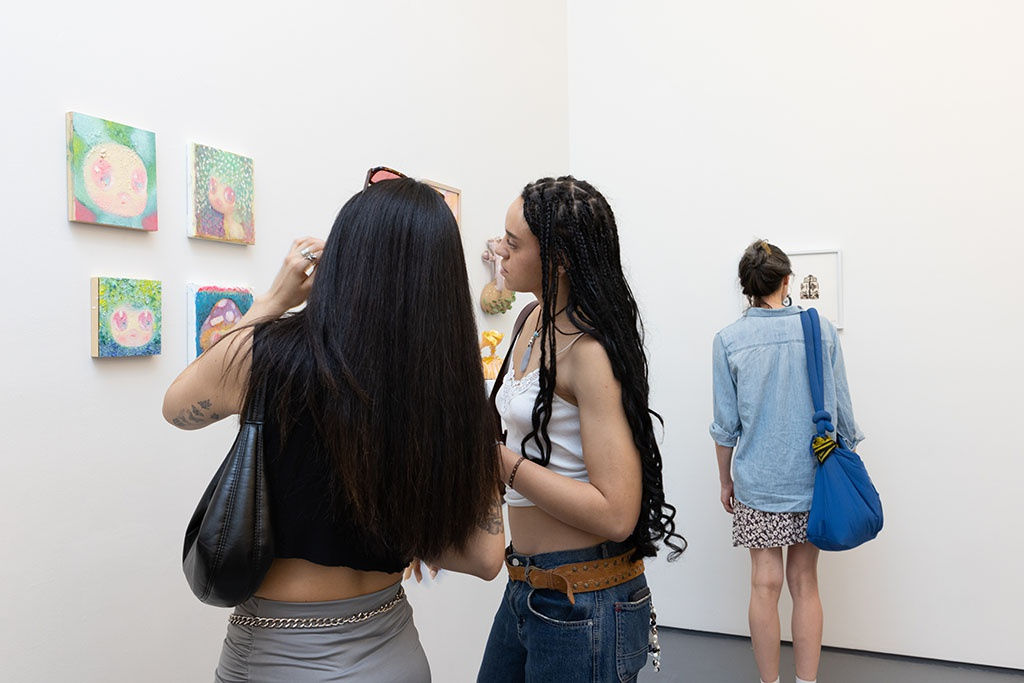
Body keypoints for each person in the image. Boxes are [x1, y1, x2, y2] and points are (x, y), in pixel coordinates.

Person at [163, 177, 506, 682]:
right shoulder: (457, 398)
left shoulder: (270, 356)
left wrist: (270, 303)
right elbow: (483, 557)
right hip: (394, 650)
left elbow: (177, 407)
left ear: (344, 257)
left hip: (280, 659)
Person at [477, 176, 686, 682]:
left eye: (514, 241)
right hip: (526, 586)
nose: (499, 250)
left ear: (560, 260)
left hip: (583, 601)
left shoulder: (589, 352)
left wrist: (503, 464)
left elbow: (616, 513)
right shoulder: (529, 317)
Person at [710, 240, 864, 683]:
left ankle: (769, 682)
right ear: (786, 280)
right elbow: (843, 413)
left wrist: (725, 481)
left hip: (757, 481)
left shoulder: (728, 341)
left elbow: (724, 427)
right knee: (805, 582)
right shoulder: (821, 329)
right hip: (812, 479)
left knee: (764, 584)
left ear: (746, 287)